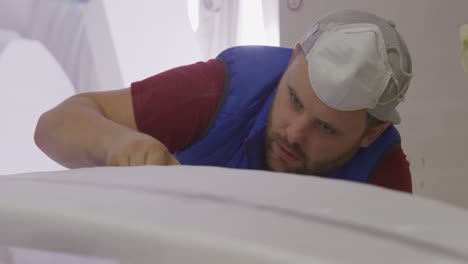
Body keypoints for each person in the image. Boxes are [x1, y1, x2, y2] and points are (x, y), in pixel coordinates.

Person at [35, 10, 413, 192]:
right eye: (294, 100)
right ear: (294, 57)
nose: (294, 133)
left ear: (372, 133)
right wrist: (118, 145)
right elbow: (55, 124)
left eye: (325, 127)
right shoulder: (227, 89)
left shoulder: (384, 178)